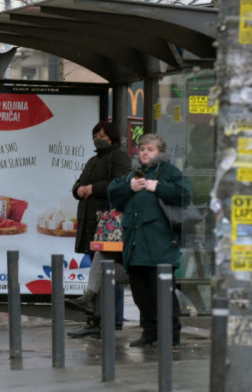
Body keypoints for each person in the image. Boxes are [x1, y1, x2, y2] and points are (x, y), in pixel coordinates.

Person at [108, 133, 189, 347]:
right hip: (136, 245)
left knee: (163, 294)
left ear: (160, 153)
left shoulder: (170, 172)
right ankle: (149, 332)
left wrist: (157, 187)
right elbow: (112, 192)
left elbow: (184, 194)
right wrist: (129, 187)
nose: (144, 152)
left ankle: (171, 335)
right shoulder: (135, 173)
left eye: (150, 149)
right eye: (142, 148)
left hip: (160, 245)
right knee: (141, 294)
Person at [66, 121, 131, 338]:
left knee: (109, 271)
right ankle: (101, 318)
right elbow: (77, 184)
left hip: (107, 225)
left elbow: (121, 184)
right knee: (102, 269)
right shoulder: (94, 160)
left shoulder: (118, 158)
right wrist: (79, 189)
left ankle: (108, 319)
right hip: (92, 223)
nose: (98, 138)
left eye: (103, 135)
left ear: (112, 138)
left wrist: (93, 188)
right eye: (96, 135)